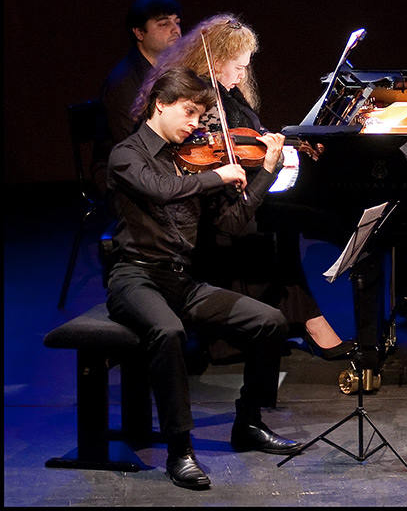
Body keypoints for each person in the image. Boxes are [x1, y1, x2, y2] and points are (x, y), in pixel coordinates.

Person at [106, 66, 302, 491]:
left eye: (200, 116)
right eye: (190, 113)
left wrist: (265, 172)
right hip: (135, 278)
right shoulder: (126, 155)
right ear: (161, 105)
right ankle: (181, 450)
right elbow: (158, 189)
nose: (197, 125)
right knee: (168, 331)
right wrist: (215, 176)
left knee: (270, 321)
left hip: (182, 281)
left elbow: (231, 222)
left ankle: (248, 422)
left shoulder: (194, 158)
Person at [138, 13, 353, 360]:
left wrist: (289, 148)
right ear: (217, 61)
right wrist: (268, 167)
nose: (242, 74)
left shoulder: (227, 95)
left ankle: (295, 321)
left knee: (285, 222)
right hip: (205, 211)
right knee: (277, 223)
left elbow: (246, 143)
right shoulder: (198, 101)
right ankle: (302, 323)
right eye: (238, 67)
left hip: (231, 195)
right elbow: (209, 166)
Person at [92, 0, 183, 195]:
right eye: (163, 23)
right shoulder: (121, 82)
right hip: (125, 170)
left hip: (164, 159)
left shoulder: (174, 70)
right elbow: (131, 141)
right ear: (139, 33)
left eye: (177, 22)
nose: (175, 29)